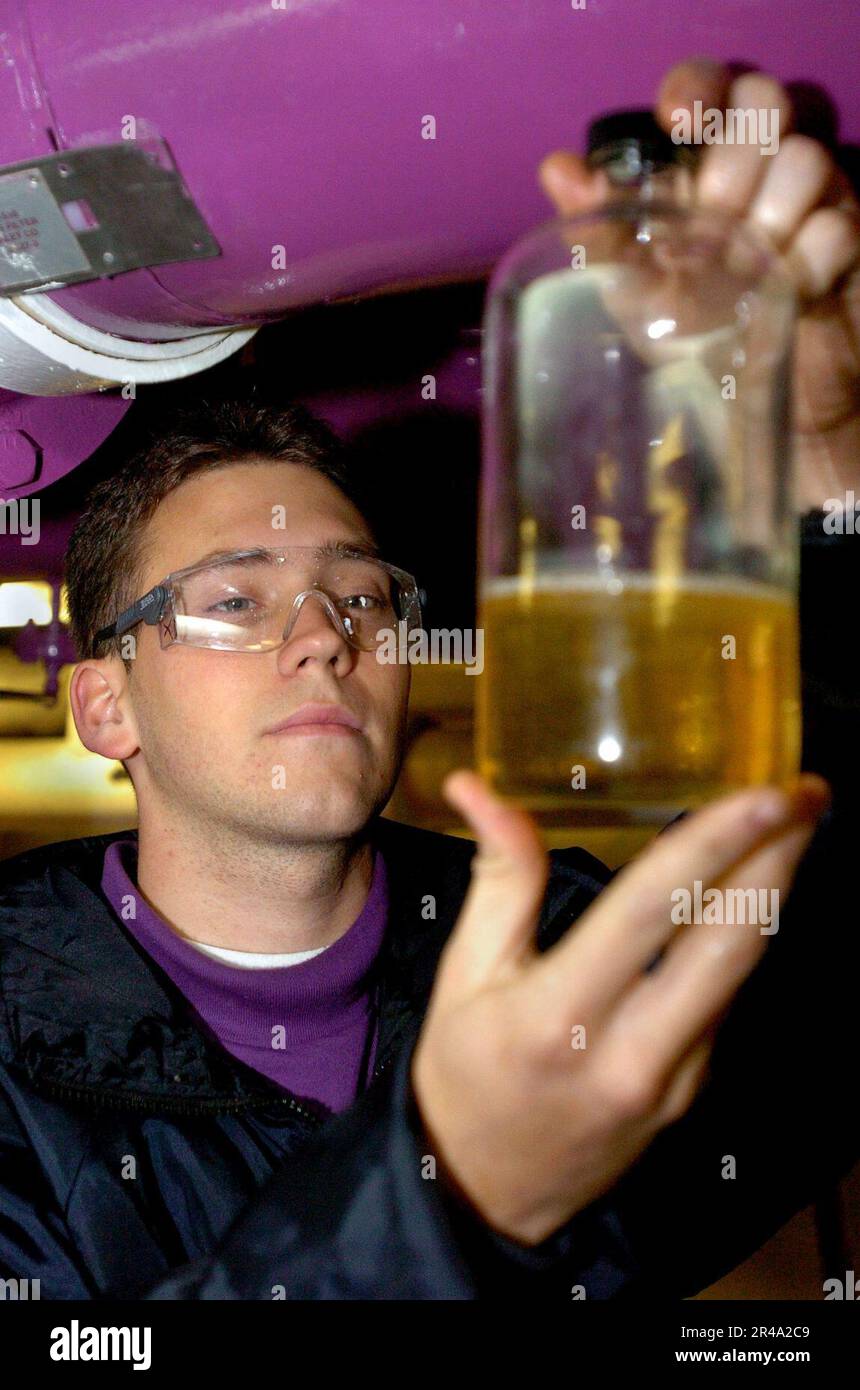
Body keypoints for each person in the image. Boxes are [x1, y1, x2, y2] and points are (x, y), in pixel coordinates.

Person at [0, 58, 858, 1300]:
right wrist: (457, 1195)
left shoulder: (566, 948)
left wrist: (832, 468)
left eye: (357, 595)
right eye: (235, 601)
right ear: (104, 703)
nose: (323, 638)